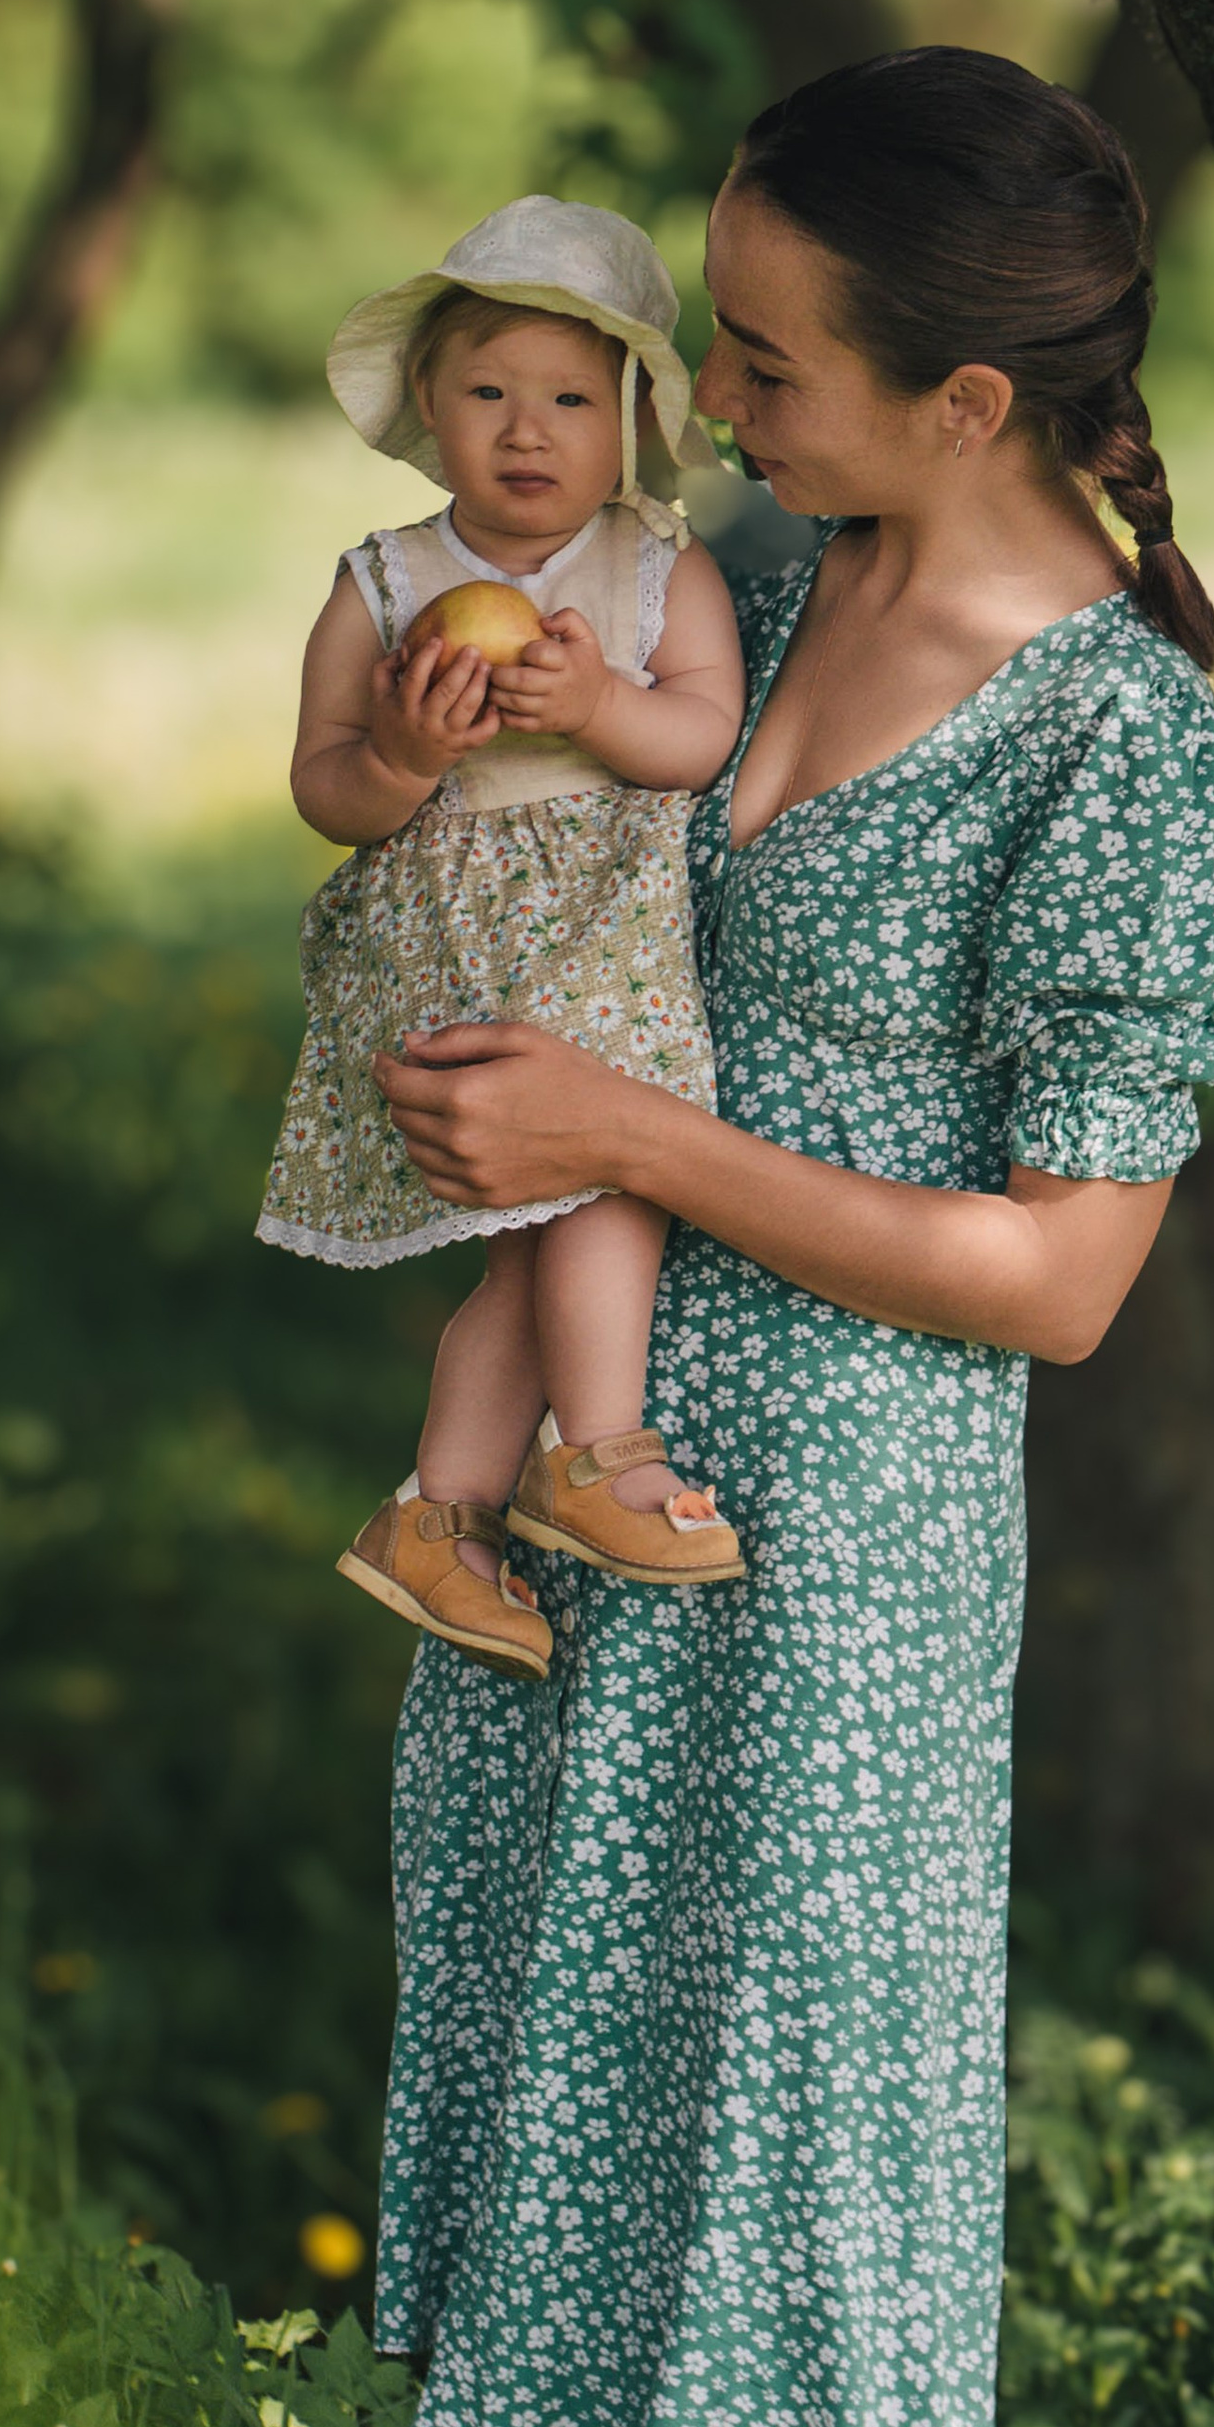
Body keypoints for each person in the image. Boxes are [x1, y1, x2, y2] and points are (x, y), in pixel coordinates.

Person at [365, 53, 1214, 2427]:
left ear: (963, 396)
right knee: (566, 2115)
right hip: (584, 1475)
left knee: (780, 2180)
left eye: (761, 360)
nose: (710, 403)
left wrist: (616, 1134)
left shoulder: (1111, 738)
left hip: (825, 1572)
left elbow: (1062, 1279)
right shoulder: (727, 590)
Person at [259, 198, 749, 1680]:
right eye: (489, 393)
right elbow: (326, 785)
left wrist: (602, 705)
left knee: (526, 1255)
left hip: (594, 931)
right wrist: (405, 752)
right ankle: (597, 1459)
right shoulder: (388, 584)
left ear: (631, 423)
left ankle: (440, 1517)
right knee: (602, 1188)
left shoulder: (660, 572)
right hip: (449, 938)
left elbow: (700, 736)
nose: (527, 431)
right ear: (430, 406)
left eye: (570, 400)